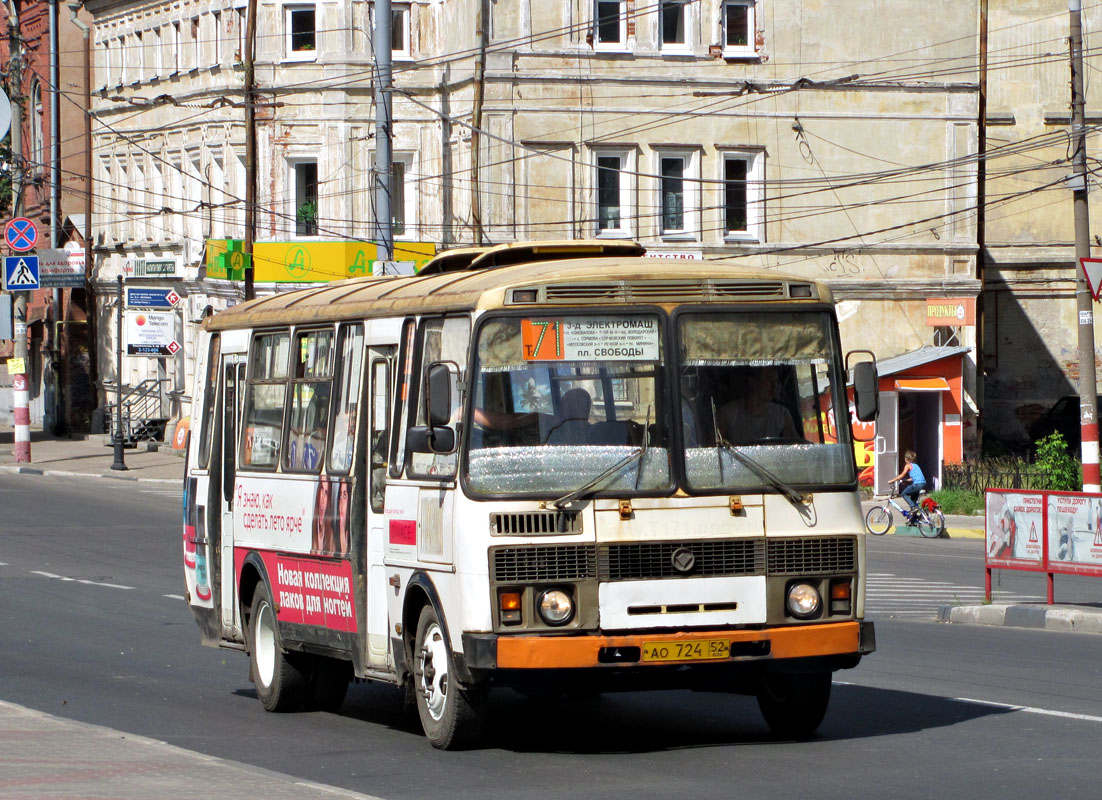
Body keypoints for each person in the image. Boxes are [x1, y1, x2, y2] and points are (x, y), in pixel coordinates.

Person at [717, 366, 798, 444]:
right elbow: (714, 450)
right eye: (768, 380)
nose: (774, 386)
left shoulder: (782, 414)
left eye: (776, 381)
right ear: (752, 382)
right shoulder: (727, 414)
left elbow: (796, 451)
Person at [890, 450, 927, 522]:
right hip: (923, 484)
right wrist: (905, 481)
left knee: (904, 493)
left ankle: (913, 507)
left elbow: (902, 475)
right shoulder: (916, 465)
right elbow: (913, 478)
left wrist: (893, 480)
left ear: (906, 459)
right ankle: (913, 519)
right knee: (913, 501)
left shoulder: (908, 465)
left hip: (917, 485)